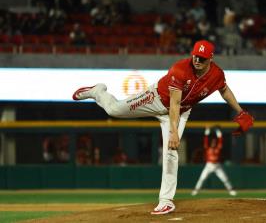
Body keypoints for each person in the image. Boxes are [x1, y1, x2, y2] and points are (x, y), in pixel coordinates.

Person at [72, 40, 254, 214]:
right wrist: (173, 132)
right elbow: (174, 103)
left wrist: (240, 111)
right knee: (114, 110)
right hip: (156, 99)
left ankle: (166, 201)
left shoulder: (216, 74)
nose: (197, 61)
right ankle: (98, 91)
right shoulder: (180, 69)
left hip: (181, 112)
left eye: (202, 58)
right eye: (195, 57)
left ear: (211, 58)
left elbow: (223, 89)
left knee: (171, 152)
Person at [191, 126, 237, 196]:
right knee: (202, 178)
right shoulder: (207, 148)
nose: (214, 143)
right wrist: (207, 132)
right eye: (213, 142)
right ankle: (196, 191)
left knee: (224, 179)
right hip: (209, 165)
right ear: (211, 143)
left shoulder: (218, 148)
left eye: (214, 142)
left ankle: (231, 190)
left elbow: (220, 140)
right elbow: (205, 141)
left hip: (217, 166)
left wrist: (218, 132)